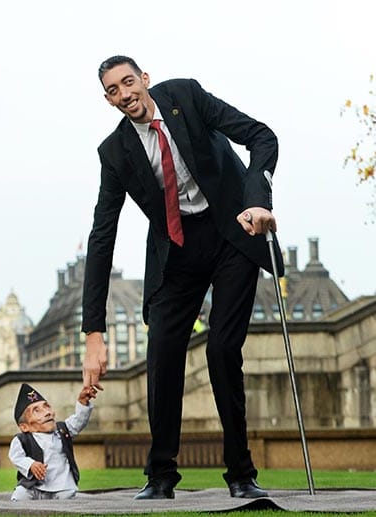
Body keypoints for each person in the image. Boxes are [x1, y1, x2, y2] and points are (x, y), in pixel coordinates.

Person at [81, 55, 283, 500]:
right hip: (177, 250)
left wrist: (257, 199)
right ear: (108, 99)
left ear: (145, 80)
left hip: (233, 231)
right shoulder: (114, 153)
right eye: (113, 90)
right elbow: (102, 237)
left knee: (222, 349)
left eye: (129, 82)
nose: (125, 94)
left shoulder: (186, 97)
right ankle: (160, 475)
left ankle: (241, 474)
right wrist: (94, 330)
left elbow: (261, 138)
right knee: (163, 354)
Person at [8, 383, 96, 501]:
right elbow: (16, 457)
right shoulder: (22, 439)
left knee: (67, 498)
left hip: (62, 485)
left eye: (47, 406)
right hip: (33, 486)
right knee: (20, 496)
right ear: (24, 427)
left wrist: (83, 402)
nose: (47, 412)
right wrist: (30, 465)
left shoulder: (62, 430)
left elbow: (78, 421)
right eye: (37, 411)